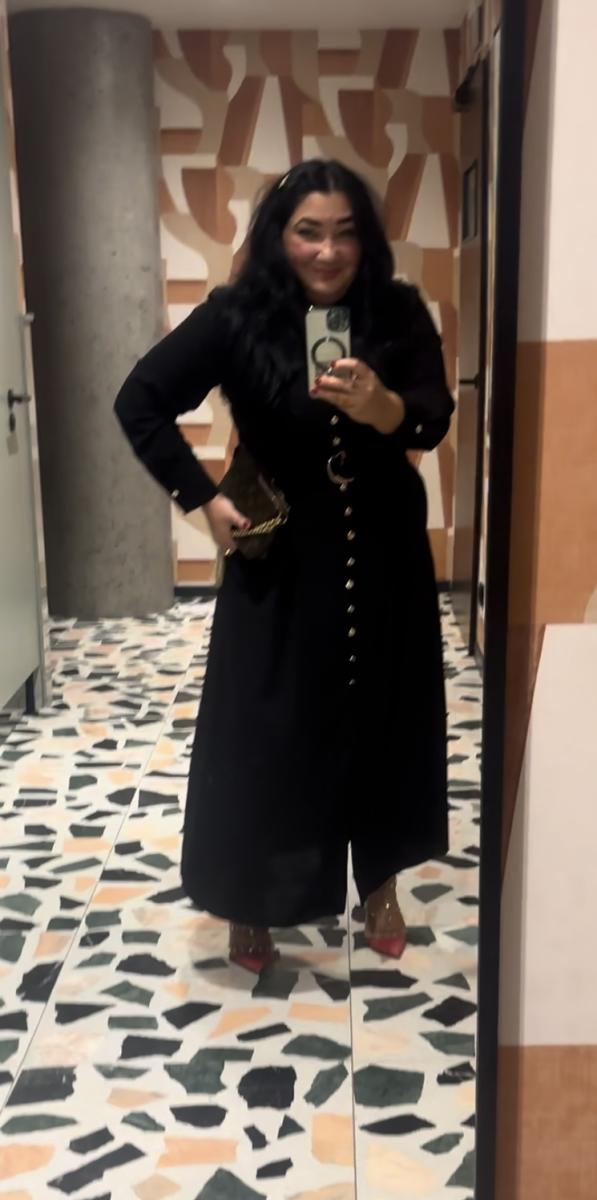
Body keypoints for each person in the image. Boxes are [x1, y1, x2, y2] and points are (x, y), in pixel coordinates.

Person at [114, 158, 454, 972]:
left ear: (364, 241)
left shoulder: (396, 311)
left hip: (383, 550)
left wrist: (384, 408)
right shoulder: (236, 317)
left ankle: (379, 883)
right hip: (279, 557)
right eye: (308, 232)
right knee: (266, 733)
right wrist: (200, 497)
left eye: (344, 233)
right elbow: (141, 398)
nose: (327, 251)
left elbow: (433, 416)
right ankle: (252, 898)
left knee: (384, 719)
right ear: (279, 236)